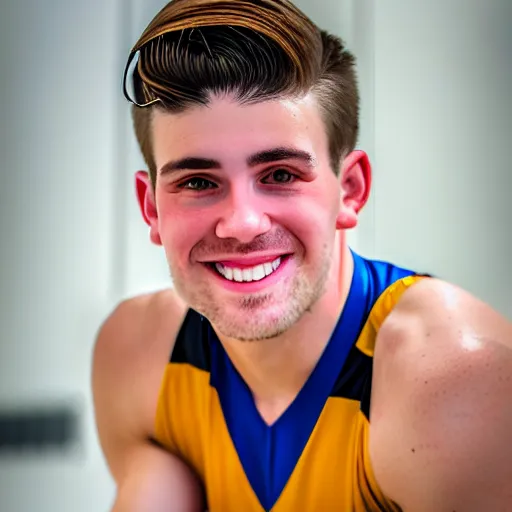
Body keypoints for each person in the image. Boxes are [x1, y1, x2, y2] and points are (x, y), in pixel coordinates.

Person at [92, 1, 512, 510]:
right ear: (151, 208)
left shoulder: (458, 383)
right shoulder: (134, 356)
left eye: (280, 175)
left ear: (350, 190)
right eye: (199, 182)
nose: (242, 223)